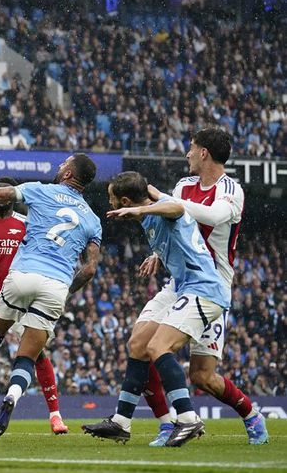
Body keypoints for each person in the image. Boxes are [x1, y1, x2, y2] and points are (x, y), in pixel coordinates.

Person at [105, 128, 267, 446]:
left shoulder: (230, 190)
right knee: (141, 342)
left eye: (191, 148)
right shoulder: (184, 186)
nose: (187, 154)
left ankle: (251, 415)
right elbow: (176, 226)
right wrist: (157, 250)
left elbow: (211, 215)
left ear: (204, 152)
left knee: (202, 376)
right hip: (180, 281)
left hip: (212, 283)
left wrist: (159, 201)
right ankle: (164, 423)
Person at [0, 153, 102, 439]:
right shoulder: (92, 218)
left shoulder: (41, 190)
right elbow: (90, 268)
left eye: (63, 165)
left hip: (22, 277)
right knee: (27, 357)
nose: (59, 167)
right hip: (56, 285)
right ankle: (12, 398)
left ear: (68, 174)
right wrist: (65, 290)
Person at [82, 171, 233, 447]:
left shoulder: (162, 209)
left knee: (158, 346)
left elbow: (176, 207)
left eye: (112, 198)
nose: (111, 203)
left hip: (204, 289)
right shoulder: (148, 214)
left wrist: (144, 205)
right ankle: (121, 422)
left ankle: (187, 419)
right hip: (183, 288)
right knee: (138, 343)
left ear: (125, 200)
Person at [0, 177, 68, 438]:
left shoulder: (27, 224)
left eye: (3, 194)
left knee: (37, 354)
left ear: (12, 197)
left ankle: (55, 416)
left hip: (21, 300)